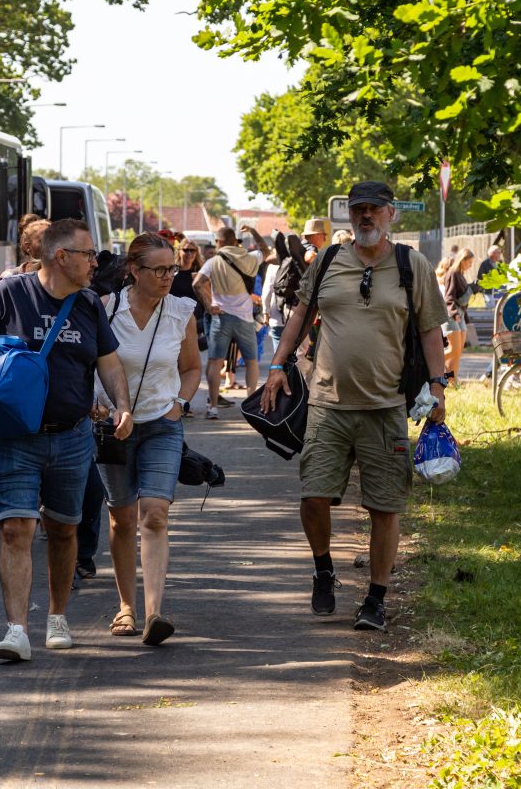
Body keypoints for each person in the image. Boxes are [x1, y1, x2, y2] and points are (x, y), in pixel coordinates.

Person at [0, 218, 133, 661]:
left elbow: (110, 363)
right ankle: (17, 630)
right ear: (62, 257)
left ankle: (57, 616)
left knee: (64, 531)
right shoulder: (10, 293)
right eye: (88, 254)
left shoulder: (88, 305)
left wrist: (122, 405)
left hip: (73, 437)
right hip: (14, 436)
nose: (95, 262)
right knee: (16, 529)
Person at [260, 181, 448, 633]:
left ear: (390, 215)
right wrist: (278, 364)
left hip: (386, 406)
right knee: (313, 497)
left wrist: (439, 387)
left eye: (373, 209)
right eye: (358, 209)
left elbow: (429, 331)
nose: (365, 216)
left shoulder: (412, 264)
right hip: (327, 403)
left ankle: (375, 599)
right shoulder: (327, 261)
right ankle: (324, 568)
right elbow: (300, 317)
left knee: (385, 507)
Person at [95, 234, 203, 644]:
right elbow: (92, 365)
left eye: (171, 269)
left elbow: (191, 368)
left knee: (155, 513)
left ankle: (156, 612)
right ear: (133, 271)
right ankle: (126, 607)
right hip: (113, 427)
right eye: (158, 269)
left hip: (162, 423)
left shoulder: (181, 311)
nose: (167, 277)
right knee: (122, 518)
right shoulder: (107, 310)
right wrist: (99, 405)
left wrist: (180, 402)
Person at [194, 226, 267, 419]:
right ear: (235, 240)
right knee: (251, 362)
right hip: (244, 318)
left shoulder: (213, 262)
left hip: (221, 318)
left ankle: (213, 408)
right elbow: (266, 249)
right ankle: (251, 406)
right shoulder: (249, 258)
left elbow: (197, 283)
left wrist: (209, 306)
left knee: (216, 361)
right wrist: (253, 230)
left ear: (218, 242)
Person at [438, 249, 475, 385]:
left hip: (461, 315)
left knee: (458, 351)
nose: (470, 265)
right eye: (469, 262)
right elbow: (449, 297)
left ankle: (453, 381)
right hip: (451, 315)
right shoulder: (452, 273)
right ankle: (429, 364)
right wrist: (454, 313)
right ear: (463, 260)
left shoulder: (461, 274)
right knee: (453, 350)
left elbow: (462, 297)